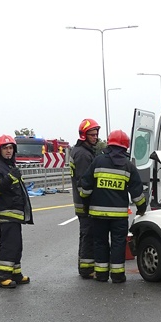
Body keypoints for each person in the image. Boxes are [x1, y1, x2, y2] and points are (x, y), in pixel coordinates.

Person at [78, 130, 146, 283]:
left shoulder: (97, 162)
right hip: (119, 216)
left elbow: (85, 187)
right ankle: (117, 275)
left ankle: (101, 275)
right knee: (118, 243)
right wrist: (142, 209)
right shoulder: (129, 166)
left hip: (98, 215)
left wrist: (86, 204)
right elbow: (137, 194)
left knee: (100, 242)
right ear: (125, 147)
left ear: (109, 144)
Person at [0, 135, 33, 289]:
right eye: (5, 148)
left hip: (14, 213)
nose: (8, 151)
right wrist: (9, 179)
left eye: (11, 148)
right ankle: (2, 276)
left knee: (17, 245)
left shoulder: (9, 165)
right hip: (6, 212)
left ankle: (15, 273)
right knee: (9, 245)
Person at [69, 118, 100, 278]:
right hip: (85, 203)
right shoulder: (82, 154)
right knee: (88, 235)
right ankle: (87, 269)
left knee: (87, 234)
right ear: (84, 136)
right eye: (92, 135)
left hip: (84, 202)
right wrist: (90, 205)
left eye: (96, 134)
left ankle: (86, 266)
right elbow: (84, 183)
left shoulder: (83, 151)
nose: (95, 137)